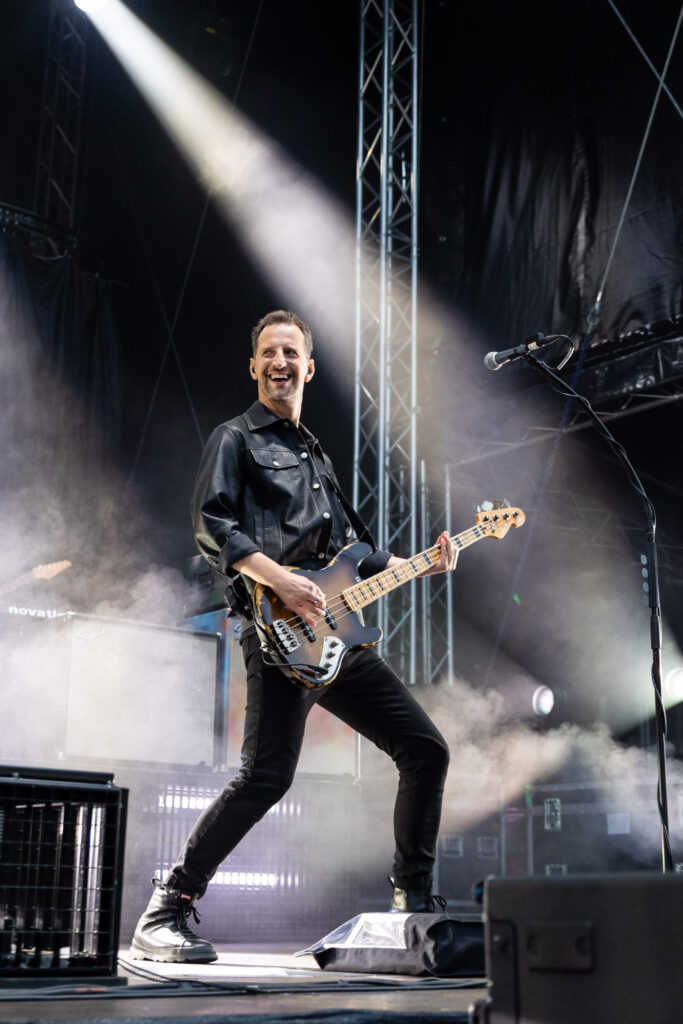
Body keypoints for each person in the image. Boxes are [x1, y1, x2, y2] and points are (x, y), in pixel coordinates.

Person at [130, 310, 458, 963]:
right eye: (268, 352)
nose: (280, 362)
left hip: (335, 638)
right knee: (266, 777)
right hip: (277, 631)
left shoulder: (315, 454)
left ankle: (410, 902)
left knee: (425, 750)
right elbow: (212, 522)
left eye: (291, 353)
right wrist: (280, 580)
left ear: (309, 366)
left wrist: (424, 560)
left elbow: (353, 553)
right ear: (254, 366)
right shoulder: (235, 439)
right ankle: (167, 908)